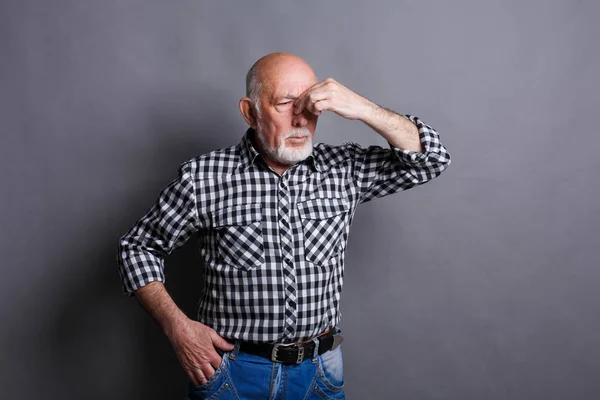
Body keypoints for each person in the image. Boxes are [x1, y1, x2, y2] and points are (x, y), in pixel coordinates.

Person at [117, 52, 451, 399]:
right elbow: (137, 247)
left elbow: (431, 160)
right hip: (232, 373)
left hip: (320, 374)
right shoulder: (205, 178)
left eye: (310, 105)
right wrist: (179, 329)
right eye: (286, 103)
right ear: (250, 111)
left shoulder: (344, 171)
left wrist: (361, 107)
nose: (301, 119)